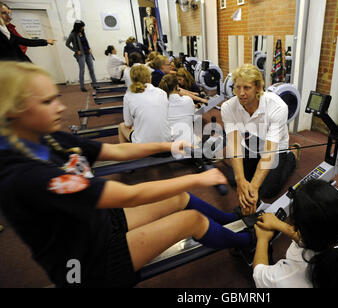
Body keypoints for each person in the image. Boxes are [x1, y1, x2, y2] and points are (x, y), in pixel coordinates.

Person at [0, 61, 252, 288]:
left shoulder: (47, 138)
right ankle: (247, 241)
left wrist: (167, 146)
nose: (60, 107)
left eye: (56, 97)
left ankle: (230, 219)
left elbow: (114, 149)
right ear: (14, 111)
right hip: (87, 261)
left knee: (180, 198)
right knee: (192, 220)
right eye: (46, 102)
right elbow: (131, 195)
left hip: (97, 222)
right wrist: (198, 178)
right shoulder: (25, 175)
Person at [252, 180, 338, 288]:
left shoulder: (286, 277)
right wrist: (278, 224)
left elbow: (259, 274)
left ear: (296, 223)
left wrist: (263, 240)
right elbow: (317, 236)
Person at [221, 64, 300, 216]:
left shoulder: (277, 106)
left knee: (268, 190)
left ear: (258, 88)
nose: (241, 93)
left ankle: (293, 154)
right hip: (252, 144)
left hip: (276, 148)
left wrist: (254, 188)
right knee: (233, 178)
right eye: (238, 87)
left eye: (247, 88)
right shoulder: (228, 107)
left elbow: (269, 151)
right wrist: (240, 180)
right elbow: (234, 143)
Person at [118, 64, 171, 144]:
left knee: (121, 126)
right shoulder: (162, 93)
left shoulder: (128, 96)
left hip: (144, 146)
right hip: (167, 141)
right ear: (149, 77)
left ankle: (126, 155)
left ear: (132, 79)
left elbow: (128, 124)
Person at [159, 73, 195, 144]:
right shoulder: (188, 100)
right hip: (187, 146)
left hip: (168, 147)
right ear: (177, 86)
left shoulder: (160, 104)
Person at [65, 20, 97, 92]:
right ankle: (82, 87)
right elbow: (67, 44)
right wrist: (76, 51)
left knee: (91, 69)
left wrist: (89, 48)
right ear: (78, 27)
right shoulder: (72, 34)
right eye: (82, 26)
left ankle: (95, 84)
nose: (83, 28)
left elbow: (85, 42)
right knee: (82, 70)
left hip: (88, 53)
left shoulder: (83, 33)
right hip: (81, 55)